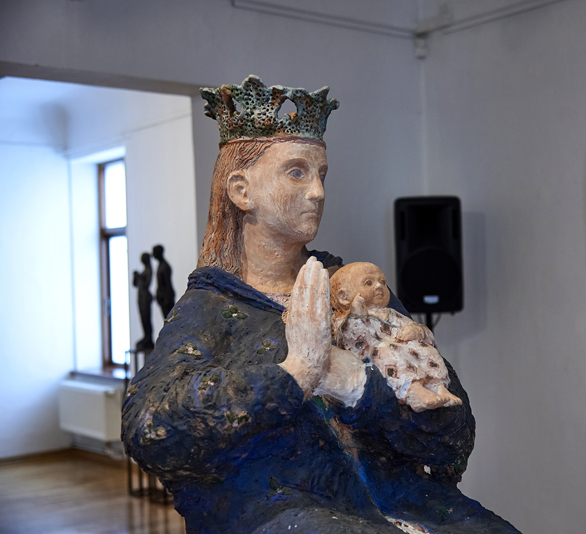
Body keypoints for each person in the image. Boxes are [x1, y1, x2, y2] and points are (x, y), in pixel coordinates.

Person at [122, 76, 519, 534]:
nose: (318, 192)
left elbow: (454, 434)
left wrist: (359, 387)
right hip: (281, 512)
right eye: (297, 172)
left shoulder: (353, 290)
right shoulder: (211, 307)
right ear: (241, 190)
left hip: (409, 503)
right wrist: (293, 376)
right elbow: (149, 426)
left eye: (322, 174)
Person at [329, 262, 462, 412]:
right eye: (369, 283)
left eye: (382, 282)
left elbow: (419, 330)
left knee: (427, 350)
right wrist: (356, 317)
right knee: (386, 351)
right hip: (374, 356)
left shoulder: (392, 314)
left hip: (404, 351)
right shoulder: (346, 321)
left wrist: (418, 331)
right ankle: (412, 391)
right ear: (343, 297)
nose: (379, 286)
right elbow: (347, 340)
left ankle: (438, 386)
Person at [152, 244, 176, 320]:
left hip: (166, 298)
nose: (153, 254)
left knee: (169, 320)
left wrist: (167, 298)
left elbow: (168, 284)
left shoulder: (164, 266)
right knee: (166, 320)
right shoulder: (160, 265)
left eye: (154, 252)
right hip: (163, 298)